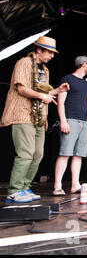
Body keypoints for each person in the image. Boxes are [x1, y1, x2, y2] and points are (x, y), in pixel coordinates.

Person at [0, 36, 69, 203]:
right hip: (23, 113)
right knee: (26, 153)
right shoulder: (24, 63)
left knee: (38, 154)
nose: (52, 56)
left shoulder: (45, 70)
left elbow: (44, 94)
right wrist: (41, 96)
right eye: (49, 52)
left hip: (38, 118)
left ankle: (24, 187)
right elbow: (21, 89)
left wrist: (57, 91)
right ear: (39, 50)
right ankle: (14, 190)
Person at [52, 56, 87, 196]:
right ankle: (57, 186)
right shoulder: (68, 79)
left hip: (84, 122)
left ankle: (75, 185)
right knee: (65, 153)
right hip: (70, 120)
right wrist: (63, 121)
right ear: (83, 65)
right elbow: (61, 102)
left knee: (79, 155)